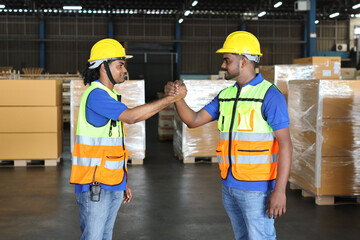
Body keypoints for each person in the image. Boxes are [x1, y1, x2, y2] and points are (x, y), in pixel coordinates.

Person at [165, 31, 292, 240]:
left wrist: (280, 191)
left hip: (257, 189)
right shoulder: (226, 96)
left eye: (227, 60)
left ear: (243, 61)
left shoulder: (270, 96)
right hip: (229, 185)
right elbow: (193, 120)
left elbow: (286, 145)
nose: (223, 65)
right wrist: (177, 97)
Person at [70, 38, 186, 240]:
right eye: (120, 65)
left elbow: (113, 148)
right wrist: (171, 99)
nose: (124, 70)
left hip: (110, 183)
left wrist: (123, 181)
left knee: (105, 236)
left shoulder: (110, 96)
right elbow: (132, 117)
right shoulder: (96, 95)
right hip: (94, 185)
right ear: (103, 67)